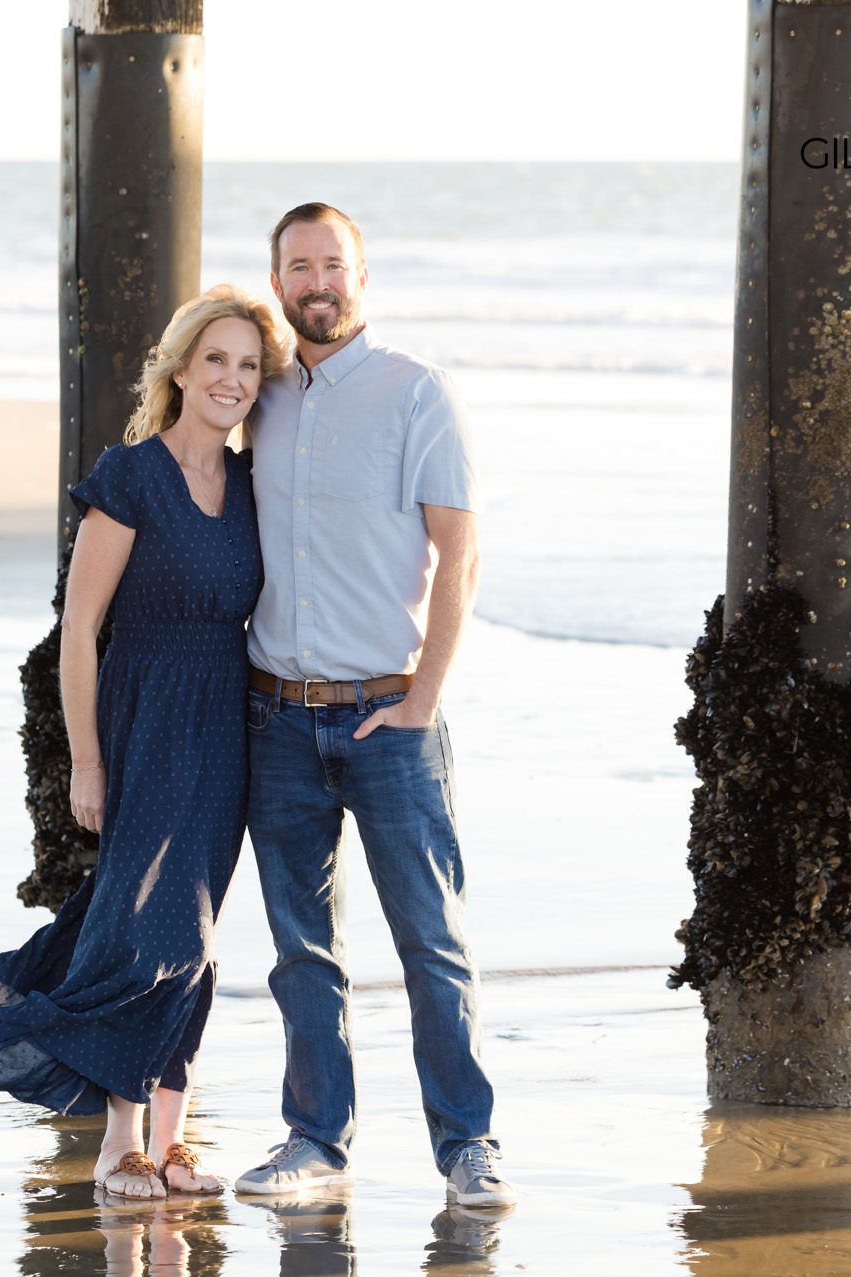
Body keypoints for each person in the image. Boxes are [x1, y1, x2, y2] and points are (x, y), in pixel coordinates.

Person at [0, 284, 289, 1199]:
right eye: (216, 359)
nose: (231, 378)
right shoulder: (131, 474)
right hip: (144, 713)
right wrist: (87, 759)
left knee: (194, 927)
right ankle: (120, 1137)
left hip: (229, 722)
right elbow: (78, 631)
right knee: (141, 922)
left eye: (249, 366)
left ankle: (175, 1134)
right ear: (182, 368)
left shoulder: (253, 488)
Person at [235, 203, 514, 1207]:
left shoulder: (415, 393)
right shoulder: (255, 399)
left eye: (333, 264)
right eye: (299, 266)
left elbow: (460, 555)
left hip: (390, 717)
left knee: (430, 943)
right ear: (276, 283)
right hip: (273, 720)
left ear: (362, 277)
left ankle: (467, 1148)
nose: (318, 281)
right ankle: (314, 1145)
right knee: (302, 952)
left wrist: (423, 699)